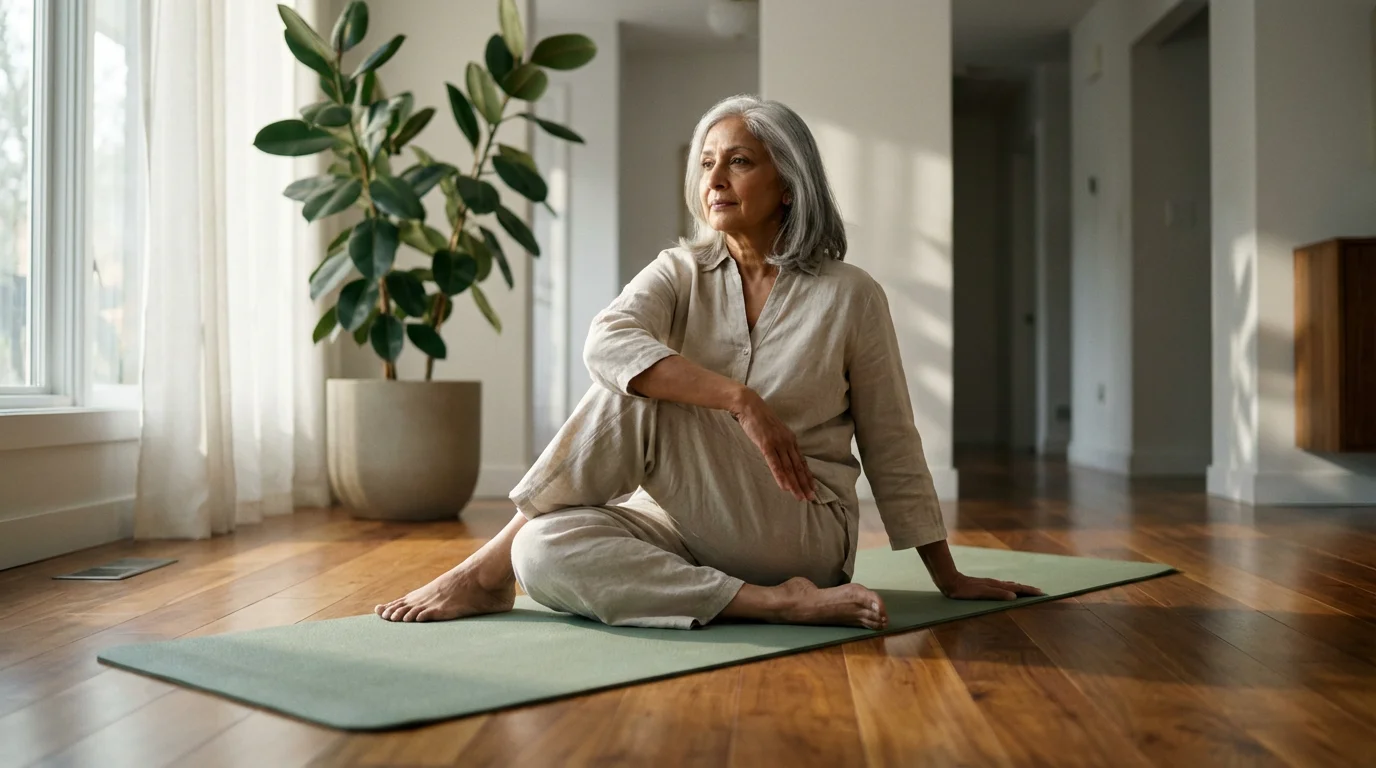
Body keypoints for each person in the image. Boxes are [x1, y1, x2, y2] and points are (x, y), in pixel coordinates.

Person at [376, 95, 1043, 630]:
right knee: (539, 550)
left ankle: (482, 572)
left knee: (641, 392)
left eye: (740, 162)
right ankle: (771, 604)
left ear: (788, 182)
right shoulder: (680, 270)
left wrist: (947, 576)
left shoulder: (850, 295)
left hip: (799, 526)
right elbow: (606, 342)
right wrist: (738, 399)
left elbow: (892, 439)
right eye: (705, 164)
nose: (715, 180)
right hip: (682, 525)